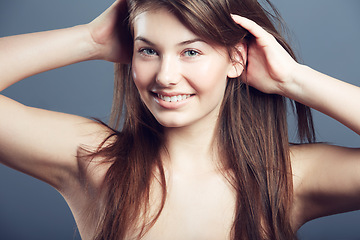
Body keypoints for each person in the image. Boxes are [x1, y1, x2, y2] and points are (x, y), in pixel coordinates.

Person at [0, 0, 359, 239]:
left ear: (236, 59)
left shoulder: (287, 177)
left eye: (190, 51)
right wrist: (89, 39)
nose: (165, 75)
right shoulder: (94, 161)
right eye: (149, 51)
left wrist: (292, 79)